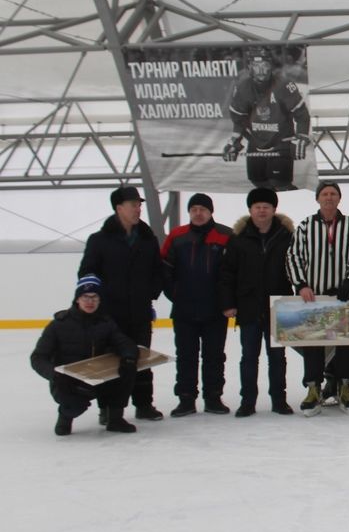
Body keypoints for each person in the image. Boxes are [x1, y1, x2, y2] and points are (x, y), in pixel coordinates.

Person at [285, 180, 349, 416]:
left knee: (345, 344)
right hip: (314, 297)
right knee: (312, 344)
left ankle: (345, 387)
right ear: (318, 199)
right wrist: (301, 284)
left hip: (342, 297)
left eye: (334, 193)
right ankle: (313, 388)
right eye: (325, 193)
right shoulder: (305, 227)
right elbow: (293, 257)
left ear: (339, 198)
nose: (329, 197)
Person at [79, 185, 164, 422]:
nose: (138, 209)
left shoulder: (148, 239)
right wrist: (97, 303)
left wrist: (150, 293)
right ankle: (107, 408)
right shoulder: (99, 240)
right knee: (111, 361)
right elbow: (87, 273)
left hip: (140, 311)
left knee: (141, 359)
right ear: (119, 208)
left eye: (139, 205)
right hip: (109, 315)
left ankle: (144, 404)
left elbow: (158, 271)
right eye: (133, 205)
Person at [30, 275, 139, 435]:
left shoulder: (105, 323)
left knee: (128, 369)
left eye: (95, 297)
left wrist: (129, 357)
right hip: (67, 381)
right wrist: (55, 375)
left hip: (97, 377)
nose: (90, 301)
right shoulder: (58, 325)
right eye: (85, 297)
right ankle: (65, 417)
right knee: (74, 404)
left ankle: (115, 419)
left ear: (100, 300)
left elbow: (125, 343)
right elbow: (38, 358)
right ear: (77, 299)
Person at [218, 187, 294, 416]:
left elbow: (297, 269)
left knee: (277, 357)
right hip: (249, 306)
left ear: (273, 209)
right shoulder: (238, 239)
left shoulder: (286, 237)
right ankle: (247, 401)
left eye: (266, 207)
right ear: (250, 210)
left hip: (277, 307)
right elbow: (227, 273)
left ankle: (279, 400)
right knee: (249, 357)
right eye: (257, 207)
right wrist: (228, 303)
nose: (262, 210)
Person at [160, 193, 233, 416]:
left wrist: (227, 302)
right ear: (189, 212)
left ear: (211, 212)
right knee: (186, 356)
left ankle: (213, 398)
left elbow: (232, 272)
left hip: (215, 310)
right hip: (184, 311)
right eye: (194, 210)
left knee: (214, 356)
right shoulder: (177, 236)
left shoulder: (225, 235)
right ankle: (186, 399)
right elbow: (165, 268)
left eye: (203, 209)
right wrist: (176, 294)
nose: (198, 213)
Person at [222, 45, 310, 190]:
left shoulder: (284, 85)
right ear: (250, 67)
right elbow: (239, 120)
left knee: (280, 183)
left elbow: (301, 115)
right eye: (257, 65)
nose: (261, 70)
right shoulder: (243, 87)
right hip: (256, 143)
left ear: (271, 66)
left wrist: (301, 137)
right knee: (258, 182)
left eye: (265, 65)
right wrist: (234, 142)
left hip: (281, 142)